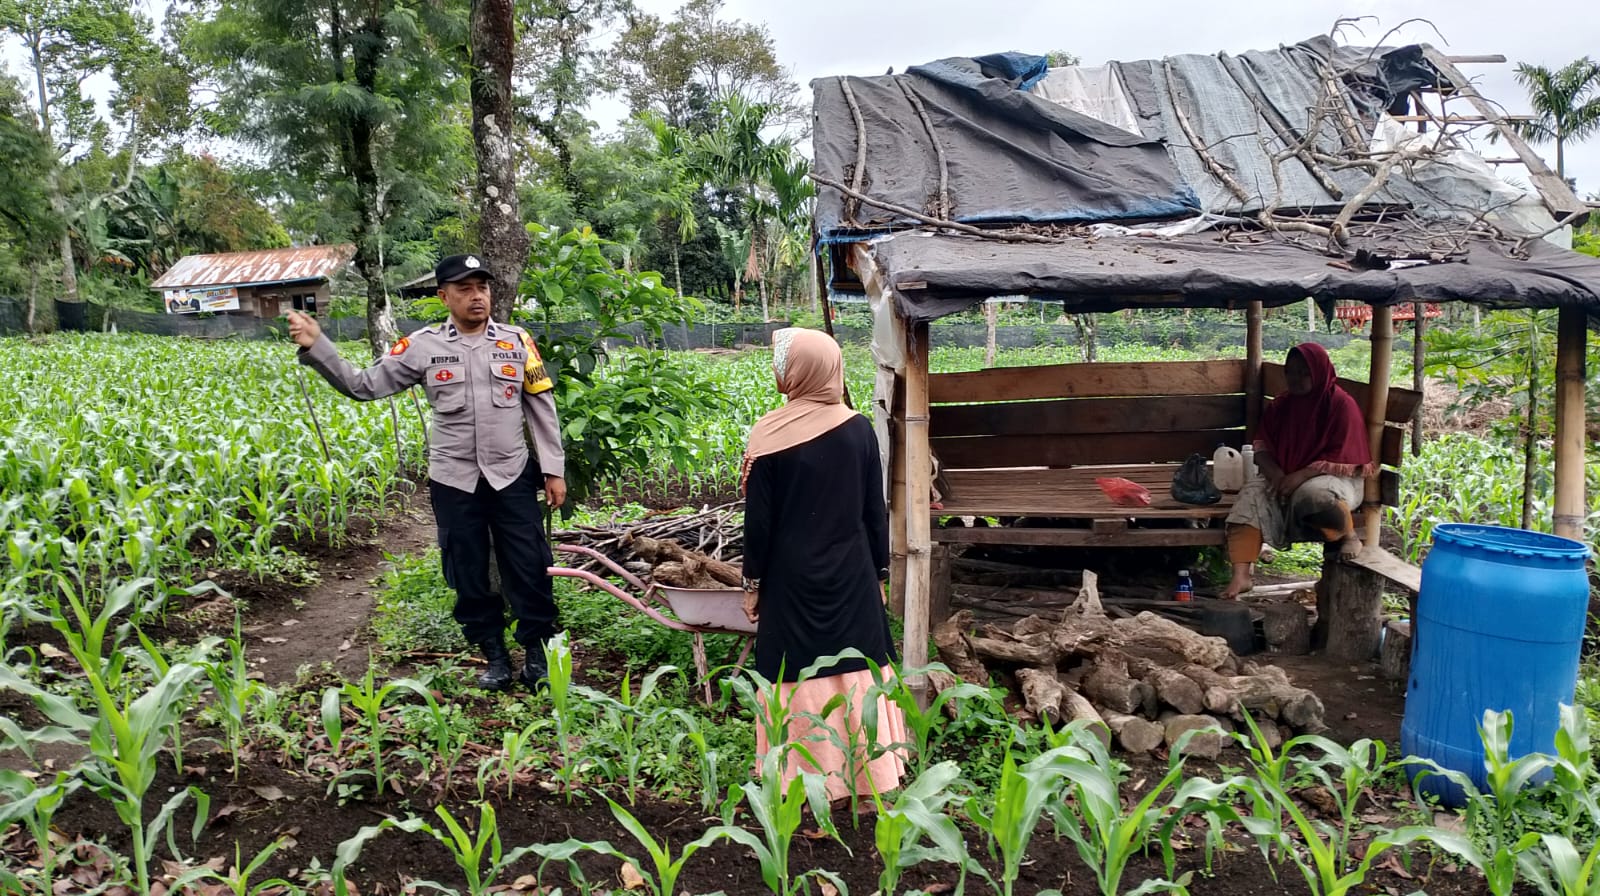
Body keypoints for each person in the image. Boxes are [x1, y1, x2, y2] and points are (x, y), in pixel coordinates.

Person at [285, 254, 567, 690]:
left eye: (482, 288)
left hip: (511, 475)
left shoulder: (517, 341)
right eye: (465, 289)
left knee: (530, 566)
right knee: (467, 571)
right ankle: (494, 656)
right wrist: (317, 346)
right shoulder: (421, 347)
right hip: (454, 481)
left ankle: (536, 656)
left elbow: (541, 407)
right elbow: (364, 385)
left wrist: (553, 469)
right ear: (443, 296)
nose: (477, 297)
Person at [740, 327, 907, 803]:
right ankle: (869, 778)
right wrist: (879, 574)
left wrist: (752, 584)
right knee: (856, 666)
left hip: (791, 583)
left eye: (782, 361)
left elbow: (759, 525)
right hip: (853, 577)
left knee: (795, 674)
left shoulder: (769, 435)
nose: (778, 369)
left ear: (797, 372)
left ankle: (806, 783)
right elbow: (873, 512)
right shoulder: (858, 429)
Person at [1223, 342, 1375, 598]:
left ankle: (1348, 535)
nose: (1296, 378)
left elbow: (1344, 455)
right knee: (1250, 496)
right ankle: (1241, 576)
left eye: (1304, 372)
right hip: (1284, 475)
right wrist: (1277, 476)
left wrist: (1300, 476)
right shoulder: (1281, 405)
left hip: (1336, 477)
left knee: (1315, 496)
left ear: (1319, 372)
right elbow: (1261, 447)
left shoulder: (1340, 404)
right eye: (1291, 372)